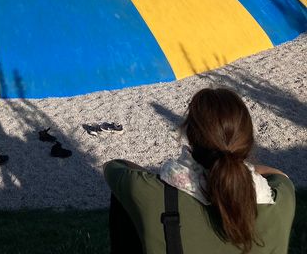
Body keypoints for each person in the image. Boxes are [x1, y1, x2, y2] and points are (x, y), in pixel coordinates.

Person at [104, 88, 295, 254]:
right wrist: (243, 168)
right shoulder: (282, 200)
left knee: (124, 201)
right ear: (248, 142)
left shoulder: (146, 191)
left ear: (190, 135)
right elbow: (279, 175)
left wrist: (156, 177)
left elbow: (114, 167)